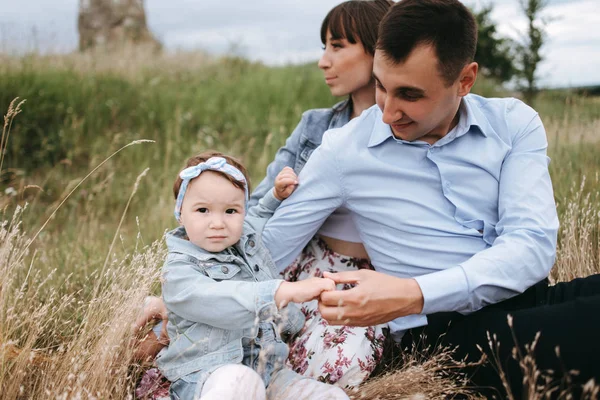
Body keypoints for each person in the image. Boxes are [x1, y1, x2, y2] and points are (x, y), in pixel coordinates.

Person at [260, 0, 600, 396]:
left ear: (465, 80)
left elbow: (532, 246)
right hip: (441, 335)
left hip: (527, 299)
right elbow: (266, 251)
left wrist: (411, 292)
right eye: (381, 86)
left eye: (409, 94)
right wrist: (186, 292)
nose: (387, 113)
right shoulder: (342, 149)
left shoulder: (514, 123)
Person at [134, 0, 394, 389]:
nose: (324, 61)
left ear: (379, 50)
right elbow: (253, 206)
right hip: (293, 259)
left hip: (360, 274)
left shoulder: (407, 129)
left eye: (337, 46)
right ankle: (176, 321)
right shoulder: (314, 126)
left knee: (334, 367)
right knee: (232, 339)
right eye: (324, 46)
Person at [156, 151, 349, 400]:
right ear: (180, 213)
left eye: (230, 211)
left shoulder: (243, 235)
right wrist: (280, 291)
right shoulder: (178, 271)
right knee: (239, 384)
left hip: (269, 371)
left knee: (330, 397)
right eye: (203, 210)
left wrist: (276, 196)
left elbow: (257, 216)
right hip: (208, 372)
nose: (218, 223)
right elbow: (219, 299)